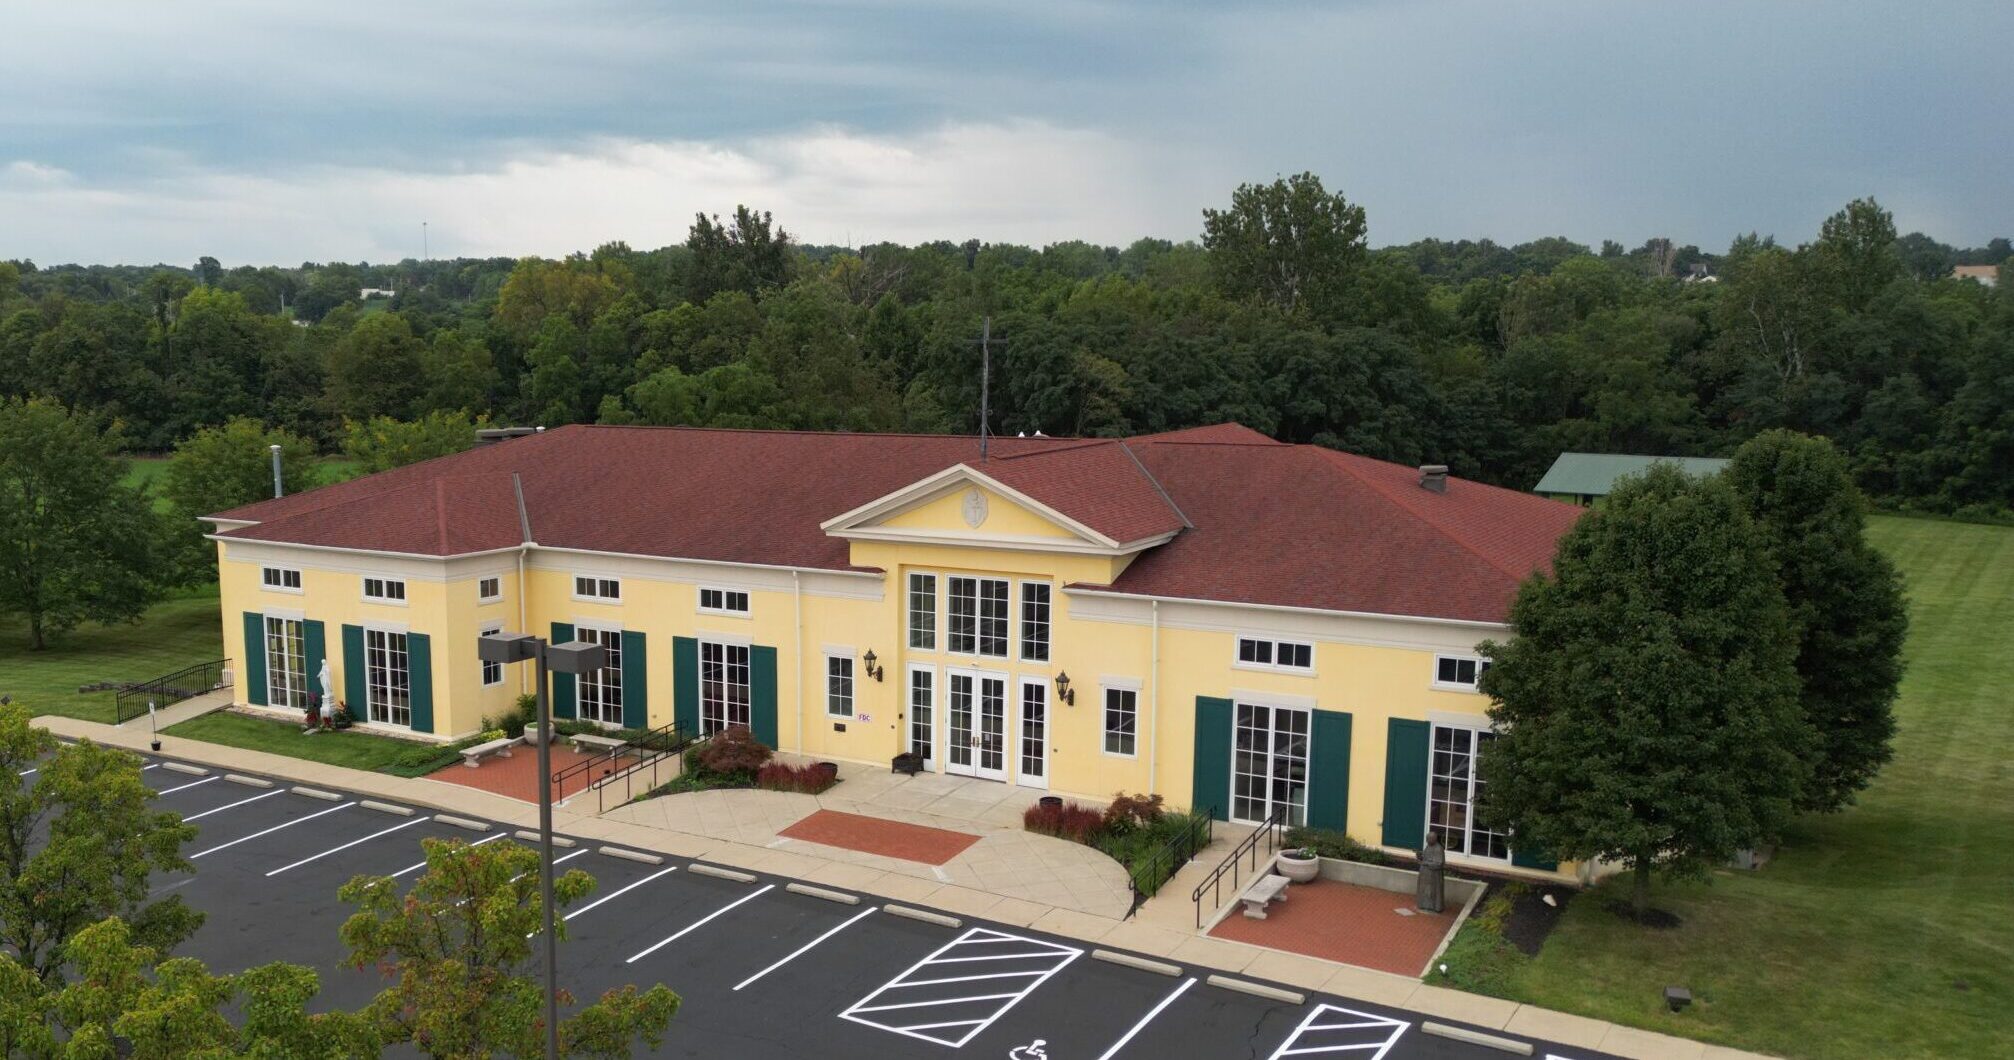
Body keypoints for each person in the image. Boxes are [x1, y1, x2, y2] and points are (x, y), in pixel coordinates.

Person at [1417, 831, 1446, 913]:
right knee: (1424, 890)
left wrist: (1426, 863)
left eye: (1428, 839)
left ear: (1434, 839)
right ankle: (1423, 904)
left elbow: (1439, 863)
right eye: (1426, 839)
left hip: (1434, 875)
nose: (1427, 841)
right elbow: (1425, 857)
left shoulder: (1439, 849)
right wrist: (1420, 856)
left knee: (1433, 891)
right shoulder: (1428, 846)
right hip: (1425, 874)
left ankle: (1434, 907)